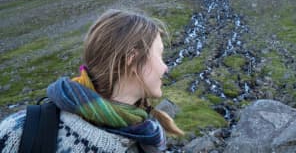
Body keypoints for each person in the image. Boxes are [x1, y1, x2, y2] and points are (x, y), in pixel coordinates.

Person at [0, 9, 184, 152]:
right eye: (159, 55)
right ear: (132, 59)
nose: (165, 67)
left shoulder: (147, 139)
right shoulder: (19, 131)